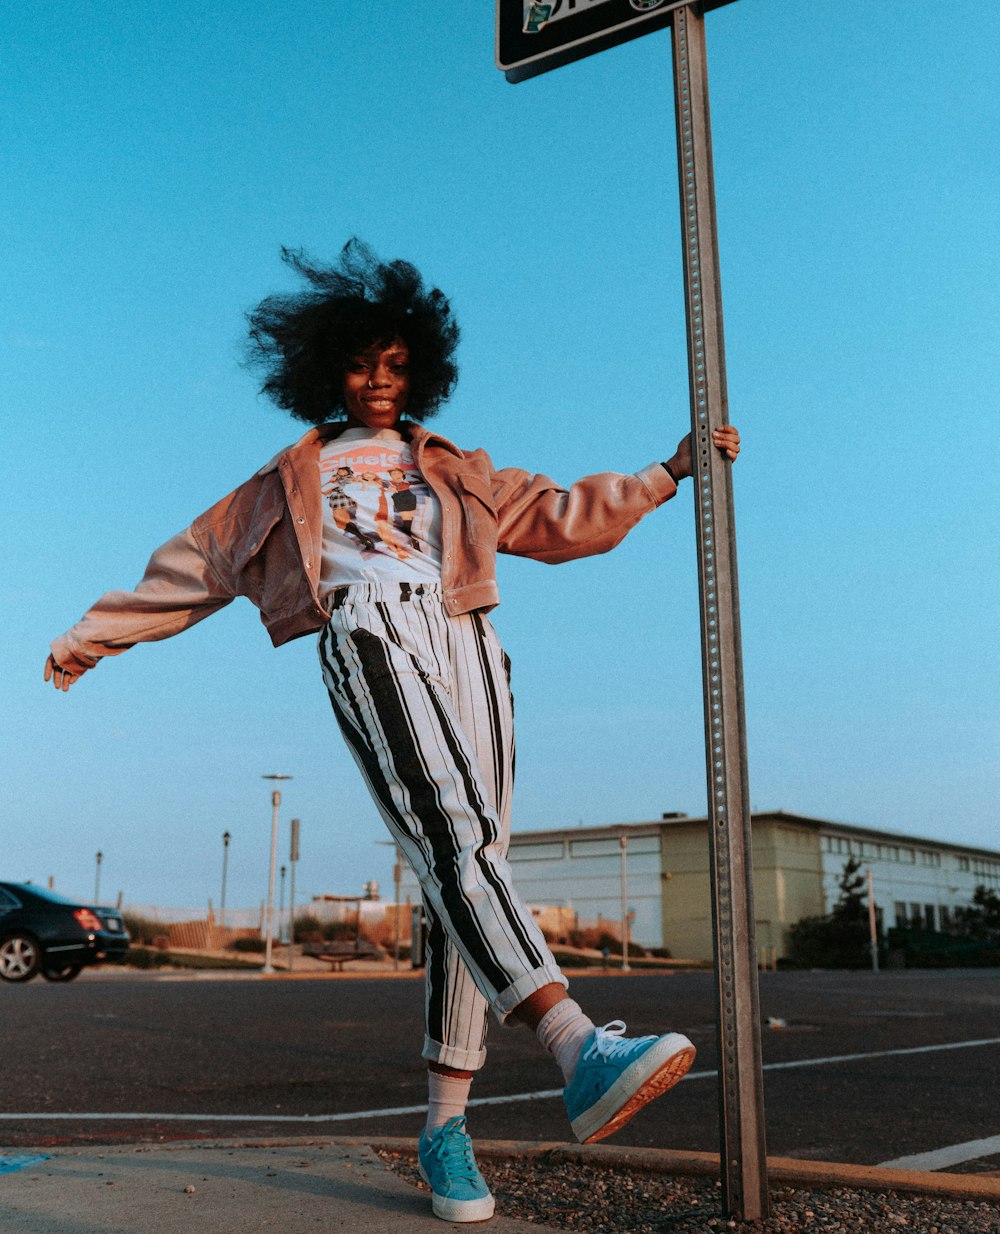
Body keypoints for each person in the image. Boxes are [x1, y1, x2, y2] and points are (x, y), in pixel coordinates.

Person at [45, 240, 740, 1225]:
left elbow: (562, 516)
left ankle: (442, 1125)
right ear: (327, 370)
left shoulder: (453, 466)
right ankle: (578, 1044)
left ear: (419, 371)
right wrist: (94, 634)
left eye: (397, 364)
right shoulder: (281, 482)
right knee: (449, 833)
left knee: (477, 867)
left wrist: (667, 472)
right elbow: (189, 568)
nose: (379, 381)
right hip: (364, 626)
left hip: (467, 636)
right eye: (362, 363)